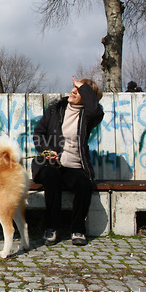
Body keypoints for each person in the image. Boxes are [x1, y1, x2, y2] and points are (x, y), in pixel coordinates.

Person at [31, 77, 104, 246]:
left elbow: (95, 111)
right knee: (51, 175)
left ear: (87, 96)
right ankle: (51, 227)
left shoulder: (89, 115)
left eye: (79, 90)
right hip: (50, 164)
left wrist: (84, 88)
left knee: (84, 184)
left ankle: (78, 229)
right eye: (74, 88)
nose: (73, 91)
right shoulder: (55, 109)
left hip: (75, 166)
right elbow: (38, 133)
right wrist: (46, 151)